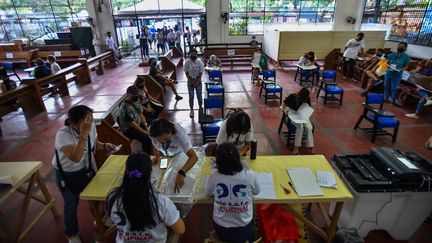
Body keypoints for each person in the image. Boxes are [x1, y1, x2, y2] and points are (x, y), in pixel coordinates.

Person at [52, 105, 116, 243]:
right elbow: (76, 157)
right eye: (87, 119)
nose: (91, 121)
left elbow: (92, 144)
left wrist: (104, 145)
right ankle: (72, 235)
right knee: (71, 204)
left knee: (98, 196)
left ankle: (99, 220)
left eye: (91, 117)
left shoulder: (90, 127)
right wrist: (83, 134)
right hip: (67, 174)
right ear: (74, 123)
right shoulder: (63, 135)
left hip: (86, 170)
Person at [107, 152, 185, 243]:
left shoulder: (113, 197)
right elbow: (180, 230)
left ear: (125, 172)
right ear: (149, 174)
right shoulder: (160, 201)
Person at [206, 142, 260, 243]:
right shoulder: (249, 175)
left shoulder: (215, 177)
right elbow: (256, 192)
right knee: (253, 215)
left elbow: (209, 193)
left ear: (218, 161)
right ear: (238, 157)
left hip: (221, 229)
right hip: (243, 230)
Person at [149, 119, 198, 193]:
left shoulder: (179, 134)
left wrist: (181, 173)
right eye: (160, 140)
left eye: (167, 139)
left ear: (172, 132)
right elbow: (154, 144)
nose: (164, 142)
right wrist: (157, 156)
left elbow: (193, 157)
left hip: (180, 152)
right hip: (166, 153)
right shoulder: (152, 132)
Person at [118, 86, 153, 154]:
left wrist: (146, 126)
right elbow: (132, 124)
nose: (136, 97)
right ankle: (146, 156)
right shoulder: (124, 108)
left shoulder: (137, 100)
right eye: (134, 96)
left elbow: (140, 114)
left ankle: (156, 149)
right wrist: (145, 132)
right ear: (128, 94)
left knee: (153, 124)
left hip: (138, 122)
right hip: (129, 129)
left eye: (137, 95)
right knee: (147, 140)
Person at [284, 88, 314, 155]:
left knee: (309, 127)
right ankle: (296, 147)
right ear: (299, 96)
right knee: (300, 127)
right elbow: (284, 105)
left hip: (303, 115)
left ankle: (310, 147)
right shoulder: (292, 96)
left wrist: (307, 114)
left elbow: (308, 108)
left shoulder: (307, 98)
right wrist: (286, 111)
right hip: (293, 115)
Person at [184, 49, 205, 118]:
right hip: (190, 81)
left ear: (196, 55)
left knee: (199, 96)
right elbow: (186, 72)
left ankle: (200, 108)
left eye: (194, 54)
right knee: (191, 96)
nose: (193, 55)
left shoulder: (200, 62)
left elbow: (201, 73)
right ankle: (191, 110)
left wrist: (197, 81)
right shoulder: (187, 63)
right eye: (191, 54)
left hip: (198, 81)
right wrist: (190, 81)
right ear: (189, 55)